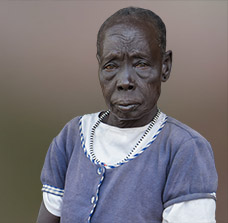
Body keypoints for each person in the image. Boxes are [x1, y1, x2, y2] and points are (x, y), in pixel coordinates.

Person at [37, 7, 218, 223]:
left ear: (165, 66)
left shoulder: (184, 149)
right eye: (111, 66)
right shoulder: (72, 137)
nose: (124, 82)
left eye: (141, 64)